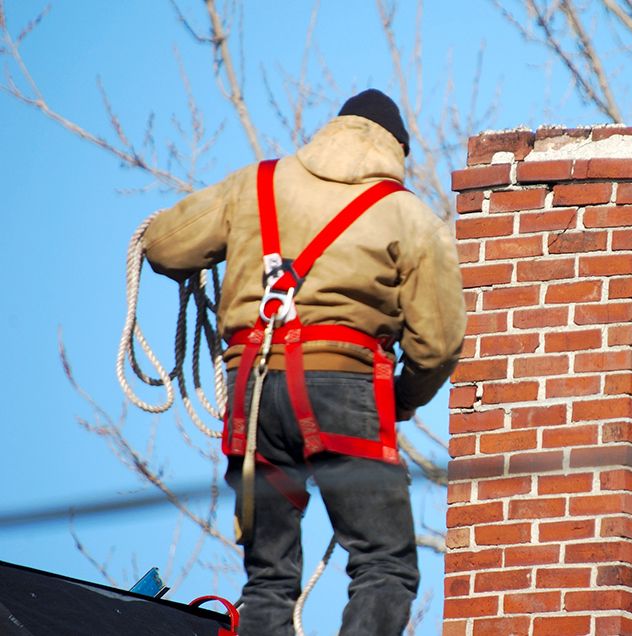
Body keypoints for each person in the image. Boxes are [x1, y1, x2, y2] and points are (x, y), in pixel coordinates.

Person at [143, 89, 466, 635]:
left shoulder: (255, 184)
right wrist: (402, 399)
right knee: (383, 562)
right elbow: (436, 346)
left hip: (251, 388)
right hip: (344, 387)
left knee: (269, 576)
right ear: (397, 150)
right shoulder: (409, 216)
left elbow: (162, 246)